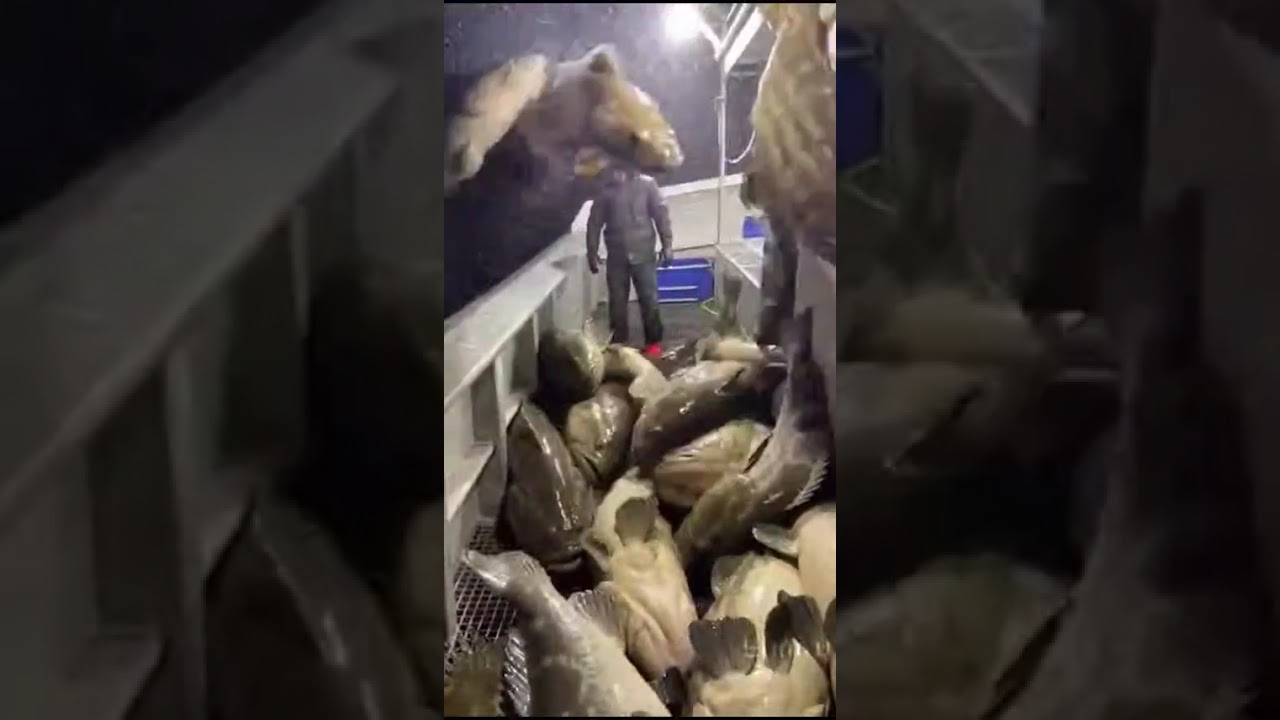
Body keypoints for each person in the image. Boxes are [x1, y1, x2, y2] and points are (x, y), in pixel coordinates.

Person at [586, 167, 674, 358]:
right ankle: (619, 346)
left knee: (649, 299)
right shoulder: (605, 190)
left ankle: (653, 343)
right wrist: (591, 252)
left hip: (644, 253)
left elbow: (661, 215)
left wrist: (667, 245)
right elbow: (594, 222)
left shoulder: (647, 185)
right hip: (616, 255)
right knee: (617, 303)